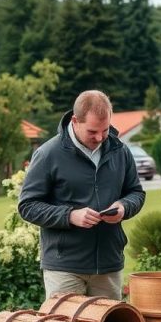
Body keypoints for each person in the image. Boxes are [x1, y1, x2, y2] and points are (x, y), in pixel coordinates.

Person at [18, 90, 145, 300]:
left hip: (109, 265)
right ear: (75, 121)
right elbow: (28, 206)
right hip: (65, 268)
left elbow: (136, 193)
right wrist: (70, 216)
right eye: (93, 131)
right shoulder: (49, 154)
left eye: (105, 130)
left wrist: (124, 207)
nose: (100, 137)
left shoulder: (120, 151)